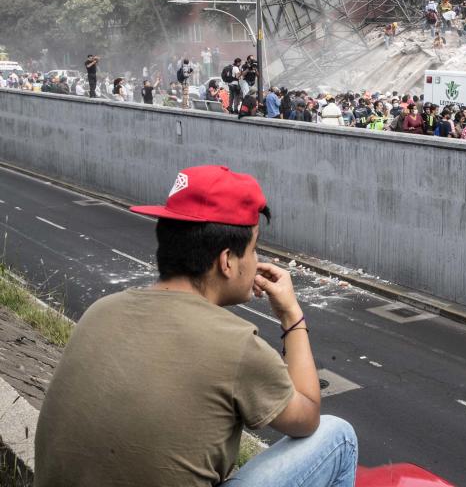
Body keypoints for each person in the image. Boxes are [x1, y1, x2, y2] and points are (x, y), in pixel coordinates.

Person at [35, 166, 357, 486]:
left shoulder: (100, 311)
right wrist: (291, 315)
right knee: (339, 436)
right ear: (227, 261)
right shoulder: (235, 344)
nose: (257, 258)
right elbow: (308, 417)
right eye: (255, 247)